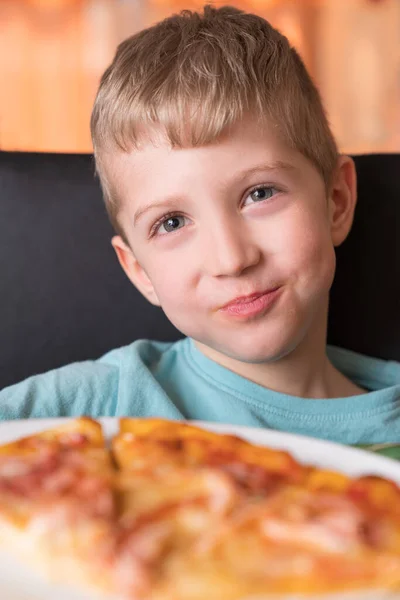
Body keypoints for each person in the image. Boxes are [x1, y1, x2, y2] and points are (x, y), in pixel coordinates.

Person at [1, 5, 399, 447]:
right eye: (171, 222)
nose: (232, 259)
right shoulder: (87, 406)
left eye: (260, 194)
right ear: (139, 271)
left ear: (336, 202)